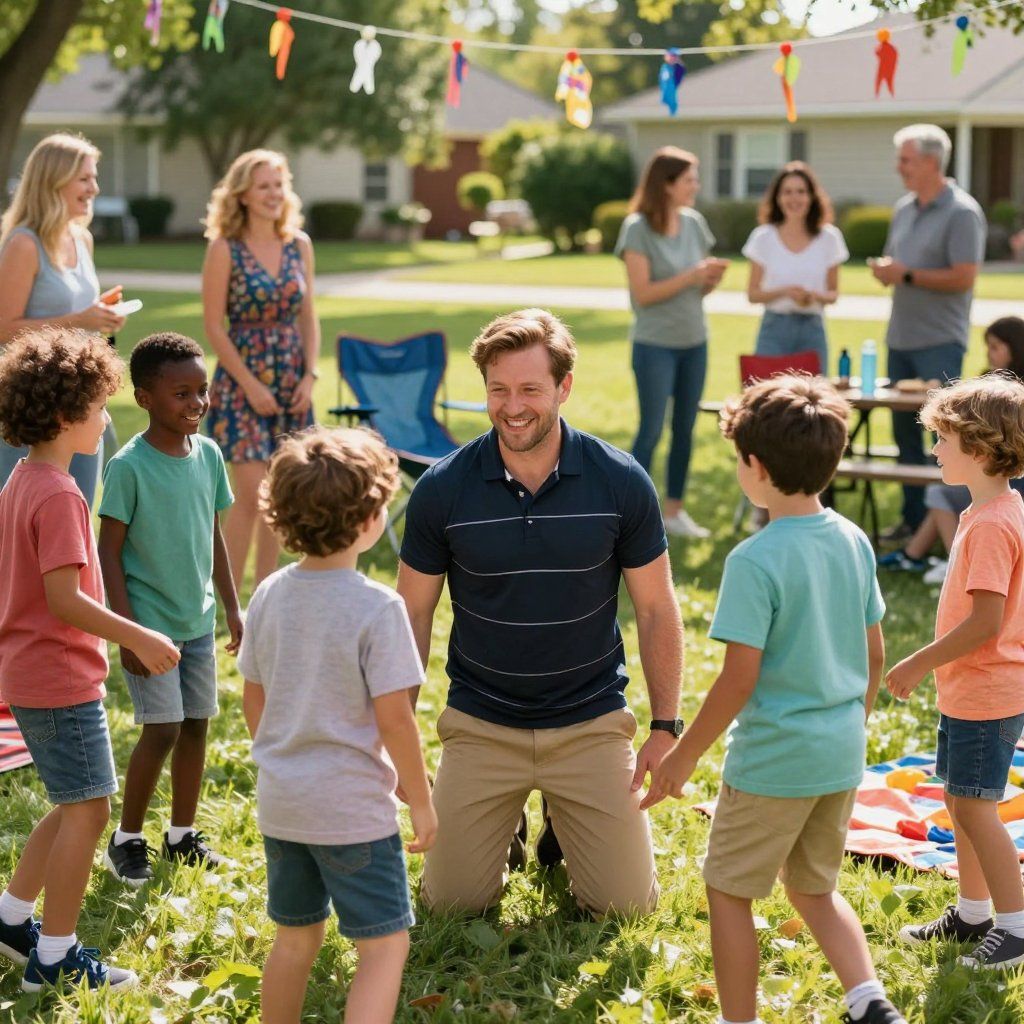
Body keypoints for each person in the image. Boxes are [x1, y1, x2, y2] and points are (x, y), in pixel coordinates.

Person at [398, 308, 683, 917]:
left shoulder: (620, 481)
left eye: (530, 388)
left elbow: (656, 608)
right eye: (498, 390)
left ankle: (563, 811)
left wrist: (665, 726)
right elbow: (412, 616)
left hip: (590, 724)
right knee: (450, 906)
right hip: (481, 724)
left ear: (564, 387)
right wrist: (395, 732)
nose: (512, 405)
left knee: (627, 908)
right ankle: (509, 823)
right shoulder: (442, 489)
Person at [643, 375, 904, 1024]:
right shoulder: (853, 539)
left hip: (774, 762)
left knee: (728, 892)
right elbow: (874, 654)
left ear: (754, 467)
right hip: (840, 752)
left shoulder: (754, 560)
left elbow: (738, 678)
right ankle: (870, 1002)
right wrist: (851, 721)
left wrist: (682, 757)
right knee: (813, 887)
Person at [0, 328, 180, 992]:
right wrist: (137, 635)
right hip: (59, 677)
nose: (107, 421)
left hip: (30, 671)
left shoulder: (23, 480)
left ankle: (12, 915)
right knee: (92, 810)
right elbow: (64, 599)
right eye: (100, 408)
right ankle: (54, 958)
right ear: (64, 415)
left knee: (76, 800)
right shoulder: (61, 495)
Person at [240, 427, 435, 1024]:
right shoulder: (378, 606)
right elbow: (395, 718)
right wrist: (421, 800)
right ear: (372, 519)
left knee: (296, 939)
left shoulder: (269, 592)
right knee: (383, 946)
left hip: (283, 803)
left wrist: (283, 759)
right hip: (350, 812)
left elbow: (255, 697)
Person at [888, 375, 1024, 971]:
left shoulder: (994, 523)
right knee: (959, 797)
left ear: (981, 447)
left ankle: (1014, 928)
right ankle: (972, 914)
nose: (935, 450)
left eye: (942, 439)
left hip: (988, 687)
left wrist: (919, 661)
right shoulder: (991, 509)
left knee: (974, 807)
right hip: (971, 687)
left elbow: (985, 625)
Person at [97, 332, 243, 885]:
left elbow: (213, 532)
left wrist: (233, 607)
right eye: (182, 393)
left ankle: (181, 836)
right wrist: (129, 633)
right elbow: (108, 553)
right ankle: (126, 838)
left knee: (197, 727)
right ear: (145, 398)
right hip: (151, 626)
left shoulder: (208, 455)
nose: (197, 404)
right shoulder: (129, 466)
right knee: (161, 730)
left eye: (202, 391)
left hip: (198, 621)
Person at [202, 149, 321, 589]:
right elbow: (214, 325)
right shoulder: (223, 249)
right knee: (252, 496)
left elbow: (308, 317)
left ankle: (264, 596)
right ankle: (229, 598)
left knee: (281, 497)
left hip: (292, 380)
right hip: (240, 382)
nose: (274, 194)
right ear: (243, 195)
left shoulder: (299, 244)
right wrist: (250, 385)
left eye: (279, 184)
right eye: (263, 186)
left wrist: (310, 375)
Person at [869, 123, 986, 542]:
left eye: (906, 159)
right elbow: (902, 265)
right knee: (903, 436)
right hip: (900, 339)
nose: (898, 167)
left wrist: (908, 275)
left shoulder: (962, 212)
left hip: (940, 342)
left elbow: (964, 277)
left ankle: (948, 528)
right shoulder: (904, 208)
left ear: (931, 163)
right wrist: (890, 272)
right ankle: (913, 519)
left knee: (944, 438)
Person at [0, 132, 126, 503]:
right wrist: (82, 318)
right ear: (54, 180)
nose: (94, 188)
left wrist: (100, 315)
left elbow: (74, 313)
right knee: (22, 520)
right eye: (85, 178)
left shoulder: (80, 238)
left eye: (94, 177)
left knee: (79, 507)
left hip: (80, 400)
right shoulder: (24, 243)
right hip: (33, 402)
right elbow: (4, 327)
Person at [615, 146, 729, 539]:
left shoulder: (695, 223)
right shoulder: (637, 228)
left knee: (685, 428)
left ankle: (674, 512)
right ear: (666, 184)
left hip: (694, 341)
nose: (696, 186)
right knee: (650, 430)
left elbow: (697, 291)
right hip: (654, 344)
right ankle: (634, 516)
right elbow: (643, 294)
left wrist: (709, 280)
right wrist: (693, 275)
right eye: (690, 180)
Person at [879, 317, 1024, 582]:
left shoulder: (991, 523)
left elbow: (987, 620)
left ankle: (952, 564)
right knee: (939, 491)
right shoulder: (989, 515)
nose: (935, 449)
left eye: (995, 347)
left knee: (938, 492)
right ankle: (946, 560)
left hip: (1012, 479)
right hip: (1001, 479)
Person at [743, 161, 848, 374]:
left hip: (812, 329)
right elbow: (753, 295)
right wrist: (784, 292)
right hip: (773, 329)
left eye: (801, 191)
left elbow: (833, 294)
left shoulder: (829, 238)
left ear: (811, 197)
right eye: (787, 192)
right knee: (768, 400)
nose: (794, 198)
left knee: (814, 401)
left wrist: (812, 296)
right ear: (777, 197)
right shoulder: (763, 237)